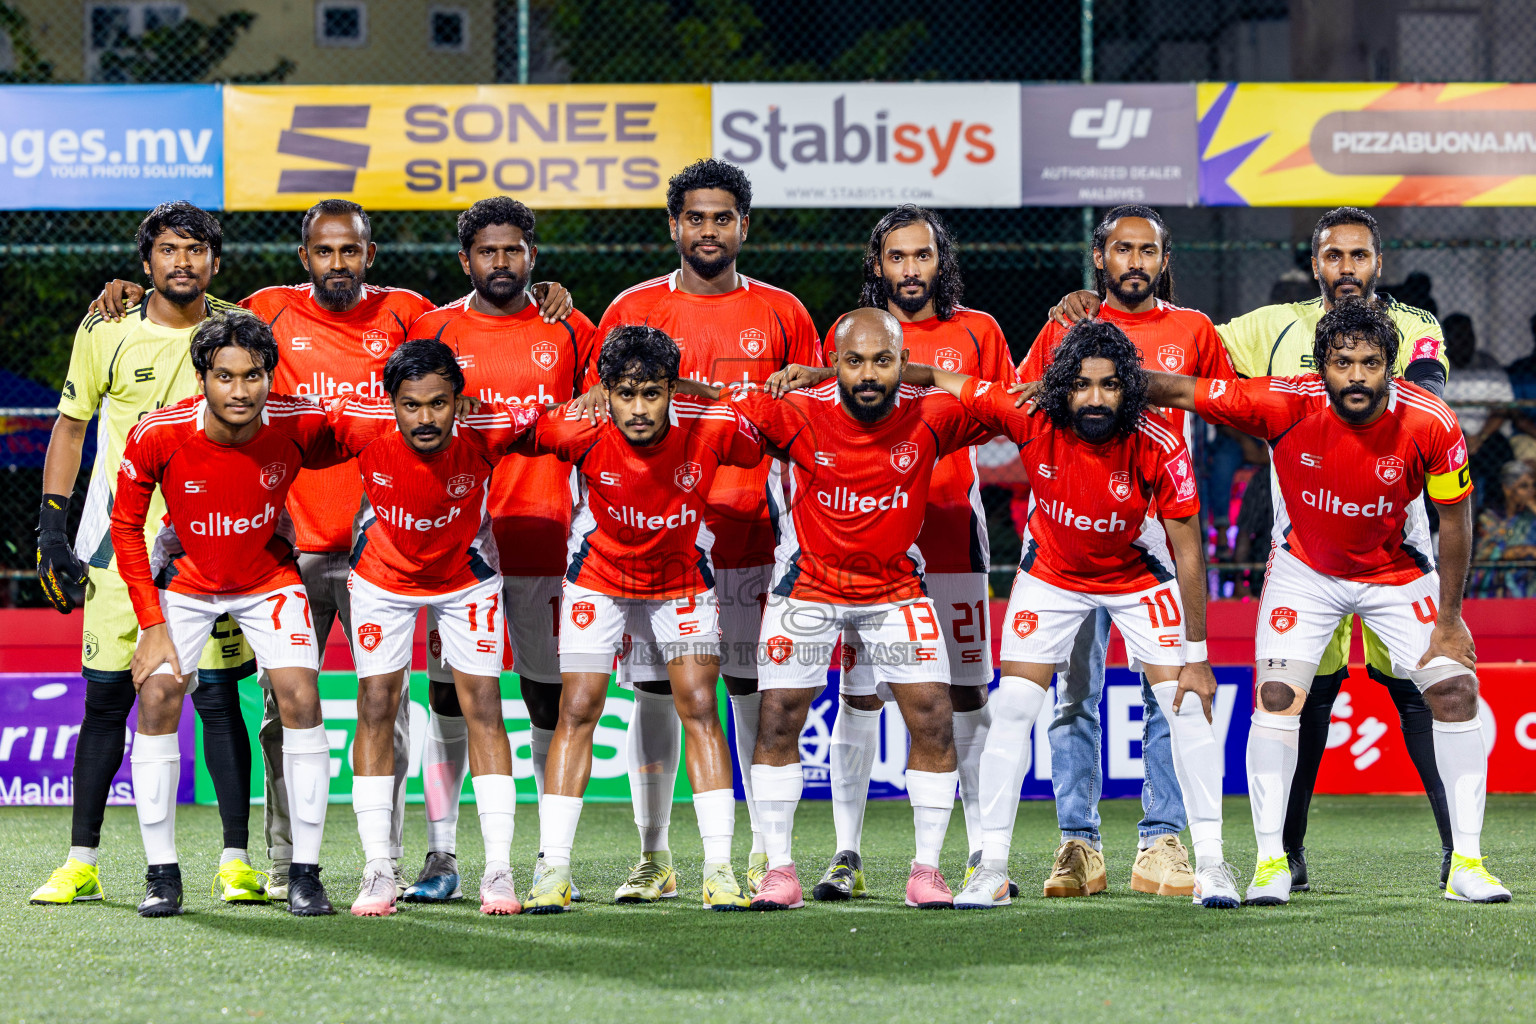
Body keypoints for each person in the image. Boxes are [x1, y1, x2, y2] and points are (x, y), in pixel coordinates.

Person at [89, 200, 575, 900]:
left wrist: (544, 297)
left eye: (351, 251)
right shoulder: (270, 311)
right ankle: (293, 864)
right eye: (325, 252)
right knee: (285, 710)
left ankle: (411, 861)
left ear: (369, 255)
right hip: (292, 552)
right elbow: (202, 312)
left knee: (395, 703)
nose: (338, 263)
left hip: (392, 543)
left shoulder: (410, 313)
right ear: (305, 258)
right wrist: (131, 293)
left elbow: (461, 343)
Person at [1049, 206, 1457, 892]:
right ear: (1315, 263)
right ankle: (1287, 859)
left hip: (1399, 549)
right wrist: (1107, 318)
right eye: (1333, 257)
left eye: (1359, 257)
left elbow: (1425, 393)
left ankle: (1459, 855)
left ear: (1377, 264)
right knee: (1305, 697)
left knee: (1420, 694)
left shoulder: (1416, 326)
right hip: (1307, 552)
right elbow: (1175, 351)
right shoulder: (1272, 327)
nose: (1347, 270)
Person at [1145, 300, 1510, 905]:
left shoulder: (1432, 421)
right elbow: (1179, 388)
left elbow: (1455, 520)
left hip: (1396, 570)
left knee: (1454, 690)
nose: (1357, 377)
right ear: (1323, 367)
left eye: (1371, 363)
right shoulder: (1285, 403)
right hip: (1306, 571)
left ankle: (1467, 863)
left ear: (1390, 365)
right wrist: (1091, 362)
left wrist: (1449, 621)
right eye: (1343, 363)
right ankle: (1270, 866)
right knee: (1277, 697)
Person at [910, 319, 1240, 910]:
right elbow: (939, 376)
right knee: (1012, 707)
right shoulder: (1030, 418)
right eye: (1081, 384)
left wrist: (1198, 658)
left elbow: (1188, 547)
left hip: (1138, 577)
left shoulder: (1159, 445)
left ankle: (1214, 865)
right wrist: (832, 376)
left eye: (1110, 386)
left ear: (1128, 390)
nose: (1094, 398)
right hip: (1052, 578)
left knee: (1186, 706)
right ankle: (991, 869)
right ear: (1061, 386)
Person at [697, 307, 993, 911]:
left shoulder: (930, 414)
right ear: (831, 364)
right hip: (808, 586)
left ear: (902, 364)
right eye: (853, 360)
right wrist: (669, 385)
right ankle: (779, 870)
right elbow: (715, 399)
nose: (867, 374)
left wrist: (935, 377)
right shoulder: (796, 412)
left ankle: (926, 871)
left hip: (895, 591)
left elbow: (1006, 408)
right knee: (777, 715)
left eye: (882, 361)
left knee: (934, 716)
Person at [590, 159, 821, 900]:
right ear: (674, 226)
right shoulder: (634, 308)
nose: (710, 230)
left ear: (743, 227)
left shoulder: (784, 312)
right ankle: (655, 858)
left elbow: (809, 422)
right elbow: (604, 416)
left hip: (754, 536)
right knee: (654, 694)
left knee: (753, 691)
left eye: (723, 218)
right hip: (658, 544)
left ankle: (761, 854)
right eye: (697, 217)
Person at [31, 202, 260, 908]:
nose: (181, 262)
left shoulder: (238, 332)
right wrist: (52, 530)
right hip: (116, 545)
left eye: (195, 250)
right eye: (168, 250)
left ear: (215, 262)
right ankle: (82, 860)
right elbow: (71, 430)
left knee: (219, 703)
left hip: (208, 546)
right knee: (105, 704)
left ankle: (234, 862)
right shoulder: (106, 328)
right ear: (146, 263)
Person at [1018, 205, 1238, 900]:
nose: (1135, 261)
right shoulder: (1063, 327)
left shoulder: (1194, 330)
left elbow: (1227, 410)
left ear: (1164, 260)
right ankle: (1077, 845)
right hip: (1070, 531)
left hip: (1156, 531)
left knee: (1167, 693)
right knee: (1072, 694)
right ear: (1098, 256)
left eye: (1148, 250)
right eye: (1122, 249)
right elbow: (1026, 404)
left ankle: (1161, 843)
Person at [518, 325, 765, 913]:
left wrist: (703, 392)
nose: (638, 409)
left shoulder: (712, 429)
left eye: (652, 393)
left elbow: (758, 440)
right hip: (597, 579)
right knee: (576, 709)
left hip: (681, 579)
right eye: (624, 394)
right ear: (605, 393)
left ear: (670, 391)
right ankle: (553, 868)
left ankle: (719, 870)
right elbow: (517, 433)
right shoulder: (577, 428)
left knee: (701, 708)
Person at [811, 206, 1015, 903]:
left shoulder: (978, 331)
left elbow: (1003, 412)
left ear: (939, 261)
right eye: (895, 258)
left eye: (920, 256)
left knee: (965, 694)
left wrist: (927, 383)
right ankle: (847, 852)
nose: (909, 270)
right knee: (861, 695)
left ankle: (984, 851)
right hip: (864, 547)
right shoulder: (850, 335)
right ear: (878, 265)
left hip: (952, 528)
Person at [111, 313, 341, 917]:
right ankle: (162, 874)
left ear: (270, 376)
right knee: (159, 698)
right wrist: (152, 624)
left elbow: (380, 426)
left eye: (254, 376)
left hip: (267, 578)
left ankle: (304, 874)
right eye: (225, 377)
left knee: (300, 698)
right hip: (186, 583)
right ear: (201, 378)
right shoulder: (158, 434)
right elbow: (124, 526)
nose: (240, 391)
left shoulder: (297, 421)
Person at [405, 198, 597, 903]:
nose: (502, 263)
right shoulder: (434, 330)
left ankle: (551, 858)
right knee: (451, 702)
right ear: (466, 261)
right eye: (488, 252)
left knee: (546, 700)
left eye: (514, 250)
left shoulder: (571, 327)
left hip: (548, 537)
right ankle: (442, 854)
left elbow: (602, 416)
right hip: (455, 549)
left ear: (533, 257)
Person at [326, 339, 543, 917]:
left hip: (465, 577)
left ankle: (498, 868)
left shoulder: (491, 430)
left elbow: (560, 417)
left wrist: (598, 394)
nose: (425, 418)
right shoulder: (356, 425)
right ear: (389, 403)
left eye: (439, 404)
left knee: (484, 707)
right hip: (382, 578)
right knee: (375, 705)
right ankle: (378, 869)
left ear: (460, 403)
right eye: (411, 405)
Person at [1470, 460, 1536, 598]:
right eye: (1524, 486)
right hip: (1493, 580)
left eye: (1533, 486)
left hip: (1526, 580)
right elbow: (1484, 553)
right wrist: (1523, 551)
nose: (1531, 491)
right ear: (1507, 488)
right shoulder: (1489, 517)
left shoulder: (1530, 518)